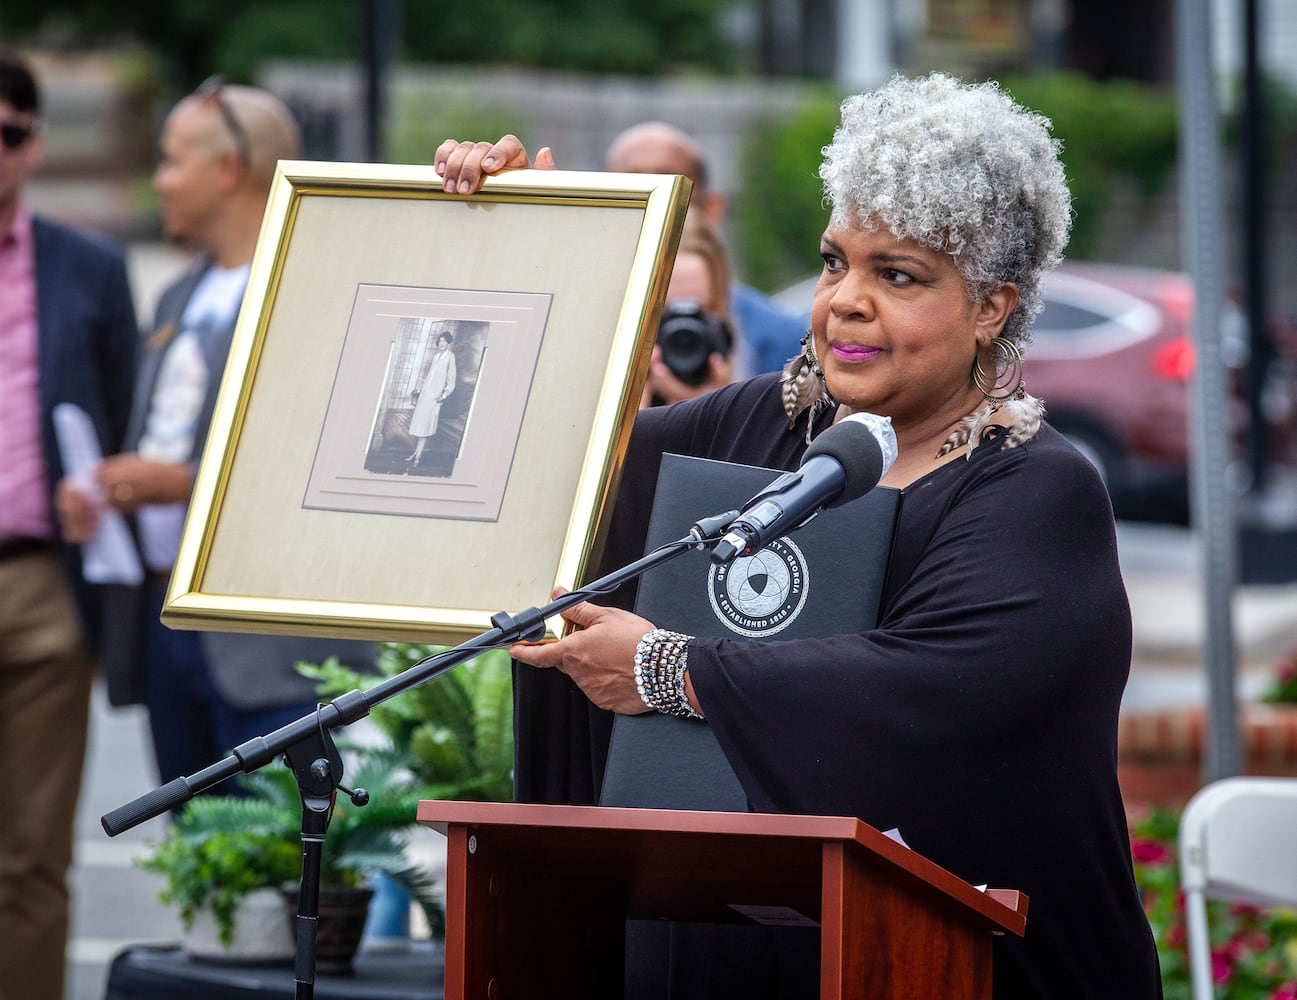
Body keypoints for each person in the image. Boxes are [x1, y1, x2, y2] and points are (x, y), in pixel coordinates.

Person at [436, 72, 1163, 998]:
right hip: (716, 951)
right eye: (833, 262)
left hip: (958, 968)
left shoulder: (1034, 489)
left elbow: (929, 695)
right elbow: (535, 470)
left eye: (897, 275)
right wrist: (525, 253)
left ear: (990, 307)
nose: (844, 301)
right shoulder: (747, 428)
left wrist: (671, 668)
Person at [57, 78, 373, 792]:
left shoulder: (321, 287)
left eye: (170, 161)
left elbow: (336, 457)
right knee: (203, 858)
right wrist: (108, 491)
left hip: (275, 644)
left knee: (296, 874)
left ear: (228, 169)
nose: (158, 181)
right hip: (170, 626)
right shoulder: (177, 293)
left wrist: (182, 485)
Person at [0, 50, 138, 1000]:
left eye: (6, 137)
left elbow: (125, 418)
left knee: (30, 859)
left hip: (44, 586)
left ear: (34, 145)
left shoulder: (87, 265)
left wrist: (106, 486)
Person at [604, 120, 806, 378]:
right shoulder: (582, 328)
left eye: (671, 196)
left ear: (711, 208)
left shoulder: (779, 344)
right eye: (631, 198)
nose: (651, 213)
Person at [644, 212, 736, 407]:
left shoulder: (749, 402)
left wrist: (719, 412)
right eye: (664, 314)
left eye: (698, 312)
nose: (682, 332)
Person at [406, 329, 457, 466]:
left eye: (444, 341)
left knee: (425, 426)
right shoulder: (436, 356)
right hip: (425, 395)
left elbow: (451, 380)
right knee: (420, 425)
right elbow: (430, 377)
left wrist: (444, 395)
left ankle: (418, 456)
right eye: (440, 341)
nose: (441, 343)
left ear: (448, 343)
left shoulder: (450, 357)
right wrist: (420, 390)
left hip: (435, 397)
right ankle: (416, 453)